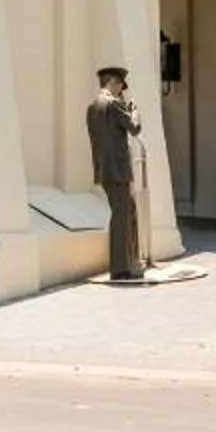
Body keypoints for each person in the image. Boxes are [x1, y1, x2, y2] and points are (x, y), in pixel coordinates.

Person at [86, 64, 145, 280]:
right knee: (122, 217)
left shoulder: (92, 107)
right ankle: (121, 269)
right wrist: (134, 111)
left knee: (127, 212)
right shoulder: (112, 104)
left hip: (105, 170)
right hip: (118, 170)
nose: (122, 90)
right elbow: (135, 128)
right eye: (120, 85)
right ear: (113, 82)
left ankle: (130, 262)